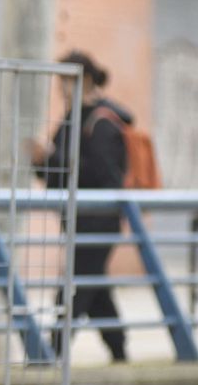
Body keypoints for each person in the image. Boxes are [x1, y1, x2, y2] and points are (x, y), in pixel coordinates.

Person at [29, 50, 129, 362]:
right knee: (94, 289)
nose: (61, 88)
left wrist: (53, 159)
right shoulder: (71, 119)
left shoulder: (103, 122)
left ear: (83, 79)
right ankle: (120, 352)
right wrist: (41, 162)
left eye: (65, 80)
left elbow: (104, 175)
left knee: (75, 288)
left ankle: (49, 356)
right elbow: (58, 174)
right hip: (77, 221)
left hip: (99, 221)